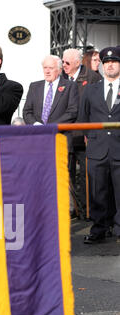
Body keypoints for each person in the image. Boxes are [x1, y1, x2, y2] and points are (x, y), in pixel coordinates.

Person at [79, 47, 120, 244]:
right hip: (98, 150)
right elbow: (83, 118)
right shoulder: (91, 89)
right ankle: (99, 229)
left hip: (119, 148)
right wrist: (93, 138)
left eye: (114, 62)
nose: (110, 65)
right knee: (98, 193)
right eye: (107, 62)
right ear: (102, 66)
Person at [62, 48, 101, 219]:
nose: (64, 65)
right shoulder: (61, 78)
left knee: (86, 176)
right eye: (62, 62)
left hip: (84, 135)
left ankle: (87, 211)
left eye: (67, 62)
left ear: (78, 62)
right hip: (65, 135)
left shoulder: (92, 78)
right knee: (66, 175)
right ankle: (73, 209)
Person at [23, 55, 79, 125]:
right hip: (37, 132)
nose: (47, 71)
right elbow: (27, 112)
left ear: (59, 70)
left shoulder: (70, 86)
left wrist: (52, 127)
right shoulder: (34, 87)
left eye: (51, 68)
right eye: (45, 68)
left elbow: (72, 112)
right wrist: (35, 124)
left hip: (59, 132)